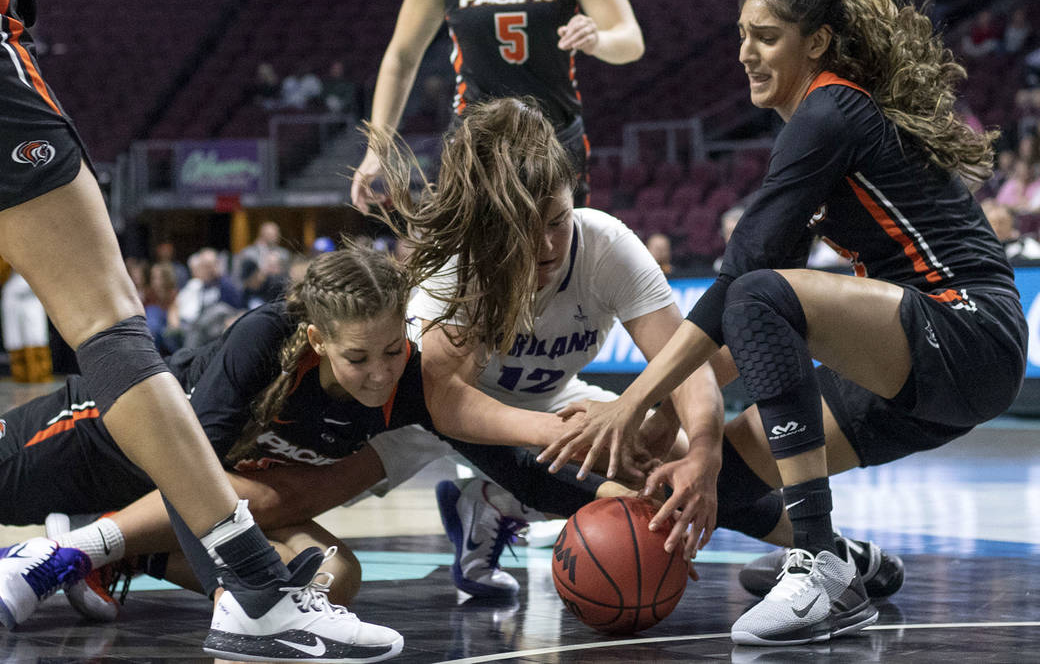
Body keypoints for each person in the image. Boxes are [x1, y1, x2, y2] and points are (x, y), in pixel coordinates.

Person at [539, 0, 1027, 647]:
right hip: (925, 372)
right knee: (721, 485)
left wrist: (636, 403)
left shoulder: (832, 111)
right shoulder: (817, 129)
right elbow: (754, 329)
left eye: (765, 38)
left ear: (819, 42)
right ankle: (848, 565)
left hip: (968, 332)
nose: (745, 52)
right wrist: (697, 442)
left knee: (755, 289)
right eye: (742, 36)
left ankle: (818, 563)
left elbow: (745, 287)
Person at [363, 97, 903, 601]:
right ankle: (499, 497)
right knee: (286, 499)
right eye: (527, 230)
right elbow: (446, 404)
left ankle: (829, 551)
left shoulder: (602, 242)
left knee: (668, 466)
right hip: (427, 410)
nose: (550, 244)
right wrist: (563, 433)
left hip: (545, 395)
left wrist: (705, 453)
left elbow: (686, 366)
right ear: (490, 223)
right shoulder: (454, 266)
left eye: (557, 220)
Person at [0, 0, 389, 660]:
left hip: (140, 482)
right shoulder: (265, 336)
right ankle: (257, 591)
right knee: (109, 328)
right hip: (88, 441)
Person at [0, 244, 628, 632]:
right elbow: (187, 473)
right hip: (104, 438)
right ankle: (65, 552)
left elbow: (511, 461)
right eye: (359, 359)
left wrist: (617, 492)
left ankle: (110, 548)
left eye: (392, 350)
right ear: (319, 341)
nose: (380, 373)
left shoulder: (405, 380)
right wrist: (236, 590)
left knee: (336, 579)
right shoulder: (263, 340)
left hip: (194, 494)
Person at [349, 0, 644, 210]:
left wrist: (597, 41)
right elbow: (401, 58)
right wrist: (378, 148)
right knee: (473, 270)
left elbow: (631, 41)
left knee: (561, 269)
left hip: (555, 140)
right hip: (474, 144)